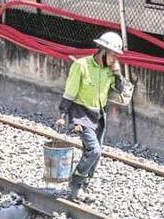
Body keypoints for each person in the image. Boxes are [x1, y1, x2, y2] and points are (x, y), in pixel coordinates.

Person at [54, 31, 126, 200]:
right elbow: (70, 92)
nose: (115, 59)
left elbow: (120, 88)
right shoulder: (81, 65)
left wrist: (117, 73)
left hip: (99, 117)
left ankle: (83, 187)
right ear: (103, 51)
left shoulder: (109, 70)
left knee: (97, 154)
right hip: (80, 116)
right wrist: (62, 115)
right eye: (114, 55)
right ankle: (75, 184)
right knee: (93, 150)